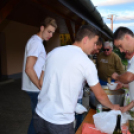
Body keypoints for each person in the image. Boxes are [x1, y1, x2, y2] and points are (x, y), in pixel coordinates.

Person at [33, 25, 120, 134]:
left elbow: (41, 82)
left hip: (40, 115)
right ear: (85, 40)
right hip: (60, 123)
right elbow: (100, 95)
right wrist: (113, 106)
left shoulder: (53, 52)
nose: (95, 48)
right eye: (94, 43)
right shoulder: (86, 63)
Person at [21, 17, 57, 134]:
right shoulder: (36, 43)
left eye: (52, 33)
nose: (51, 35)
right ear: (42, 28)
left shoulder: (37, 42)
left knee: (37, 120)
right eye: (49, 31)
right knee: (38, 121)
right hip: (35, 89)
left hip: (35, 88)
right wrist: (40, 86)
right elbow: (29, 68)